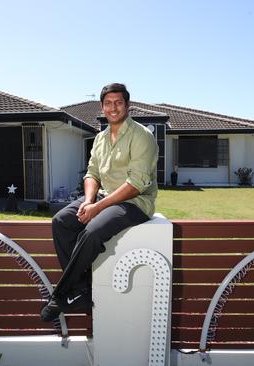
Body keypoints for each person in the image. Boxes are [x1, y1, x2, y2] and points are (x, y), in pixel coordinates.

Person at [40, 83, 158, 321]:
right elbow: (92, 173)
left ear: (127, 105)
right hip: (103, 197)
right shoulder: (100, 138)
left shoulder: (142, 136)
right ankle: (81, 289)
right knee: (61, 221)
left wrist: (97, 208)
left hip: (134, 202)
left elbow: (136, 184)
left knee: (91, 231)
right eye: (108, 103)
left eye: (118, 102)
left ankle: (60, 295)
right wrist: (89, 200)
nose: (113, 108)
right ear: (102, 107)